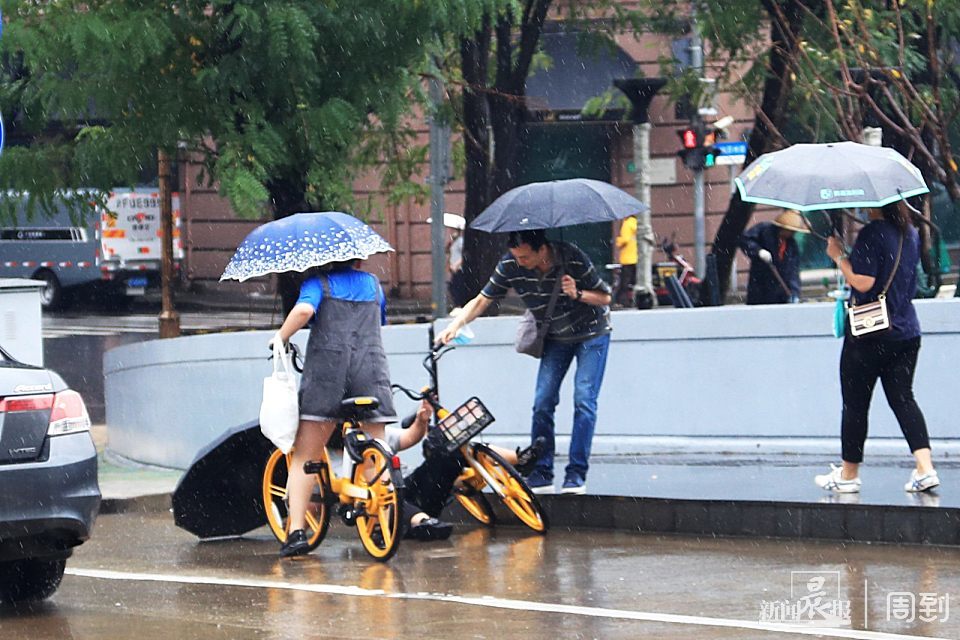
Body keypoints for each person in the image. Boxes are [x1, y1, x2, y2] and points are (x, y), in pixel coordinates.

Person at [437, 229, 612, 495]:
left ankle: (576, 474)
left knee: (584, 400)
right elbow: (484, 299)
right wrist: (457, 324)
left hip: (593, 333)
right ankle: (542, 473)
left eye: (525, 257)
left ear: (543, 250)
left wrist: (577, 293)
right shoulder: (510, 264)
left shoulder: (572, 257)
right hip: (555, 336)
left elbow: (605, 297)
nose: (520, 262)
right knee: (543, 402)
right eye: (516, 256)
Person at [269, 260, 399, 557]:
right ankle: (383, 524)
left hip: (328, 376)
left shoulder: (317, 284)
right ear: (358, 258)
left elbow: (304, 312)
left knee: (306, 455)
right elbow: (378, 321)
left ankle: (297, 531)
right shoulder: (373, 285)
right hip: (370, 371)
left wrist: (280, 337)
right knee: (376, 451)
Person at [816, 201, 939, 494]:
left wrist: (838, 257)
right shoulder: (909, 232)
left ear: (875, 204)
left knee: (856, 405)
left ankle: (848, 475)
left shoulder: (872, 233)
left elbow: (863, 282)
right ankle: (925, 468)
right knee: (904, 400)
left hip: (870, 334)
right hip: (907, 331)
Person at [739, 210, 808, 304]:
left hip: (780, 293)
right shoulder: (764, 230)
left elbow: (793, 272)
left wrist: (794, 293)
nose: (793, 233)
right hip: (760, 285)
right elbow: (745, 240)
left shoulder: (791, 246)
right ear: (783, 228)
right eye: (791, 231)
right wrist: (758, 251)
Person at [613, 215, 638, 307]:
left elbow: (625, 239)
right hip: (635, 257)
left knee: (624, 282)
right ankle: (633, 300)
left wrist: (618, 241)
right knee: (633, 281)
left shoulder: (627, 224)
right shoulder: (635, 223)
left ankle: (622, 301)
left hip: (627, 258)